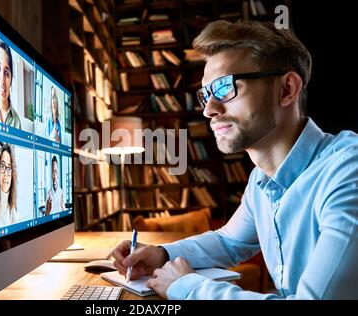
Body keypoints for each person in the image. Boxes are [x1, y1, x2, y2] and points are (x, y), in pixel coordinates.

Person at [112, 20, 358, 299]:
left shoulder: (349, 170)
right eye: (206, 94)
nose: (209, 110)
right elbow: (229, 241)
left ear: (287, 89)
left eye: (224, 87)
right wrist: (162, 253)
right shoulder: (261, 180)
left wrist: (187, 287)